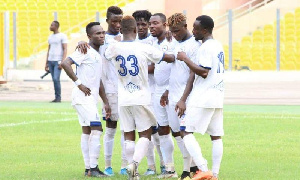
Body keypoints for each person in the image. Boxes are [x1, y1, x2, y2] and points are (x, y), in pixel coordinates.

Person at [104, 15, 175, 180]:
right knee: (145, 135)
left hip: (123, 98)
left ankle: (133, 175)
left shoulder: (113, 48)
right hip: (141, 97)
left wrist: (115, 40)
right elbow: (168, 58)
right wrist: (173, 49)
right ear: (135, 30)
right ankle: (134, 164)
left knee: (128, 135)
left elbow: (107, 53)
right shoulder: (142, 47)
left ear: (121, 30)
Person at [76, 6, 126, 176]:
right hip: (107, 90)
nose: (118, 24)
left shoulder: (125, 38)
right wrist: (80, 42)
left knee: (127, 129)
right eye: (114, 21)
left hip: (126, 91)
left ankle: (124, 165)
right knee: (106, 128)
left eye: (120, 21)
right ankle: (106, 165)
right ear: (107, 22)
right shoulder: (101, 41)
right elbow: (82, 52)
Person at [176, 15, 224, 180]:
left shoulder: (205, 48)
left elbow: (204, 72)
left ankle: (203, 168)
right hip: (217, 96)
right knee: (216, 136)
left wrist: (185, 59)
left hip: (203, 97)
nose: (193, 31)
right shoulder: (218, 45)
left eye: (196, 29)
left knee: (185, 131)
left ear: (204, 30)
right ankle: (215, 174)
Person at [61, 22, 111, 177]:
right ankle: (94, 168)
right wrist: (79, 84)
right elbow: (65, 63)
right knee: (97, 129)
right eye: (97, 33)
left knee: (87, 131)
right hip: (82, 98)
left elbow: (99, 81)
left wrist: (106, 101)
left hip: (89, 99)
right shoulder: (85, 50)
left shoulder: (98, 53)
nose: (102, 35)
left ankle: (88, 169)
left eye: (103, 32)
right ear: (89, 36)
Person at [160, 13, 201, 179]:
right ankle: (193, 167)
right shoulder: (175, 43)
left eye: (177, 30)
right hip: (173, 96)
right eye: (172, 31)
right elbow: (176, 71)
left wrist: (183, 99)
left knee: (185, 133)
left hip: (186, 98)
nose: (174, 34)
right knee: (177, 133)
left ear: (185, 26)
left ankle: (186, 171)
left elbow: (193, 73)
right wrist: (168, 91)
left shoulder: (194, 45)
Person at [132, 10, 166, 176]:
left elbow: (156, 66)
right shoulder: (132, 42)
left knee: (159, 132)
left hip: (155, 91)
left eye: (144, 24)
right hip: (140, 93)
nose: (141, 27)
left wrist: (138, 71)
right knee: (147, 132)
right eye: (137, 24)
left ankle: (165, 164)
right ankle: (151, 167)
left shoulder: (154, 42)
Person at [149, 12, 177, 177]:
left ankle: (191, 167)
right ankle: (170, 169)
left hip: (171, 89)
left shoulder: (171, 41)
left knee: (179, 131)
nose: (152, 26)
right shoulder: (152, 42)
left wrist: (168, 90)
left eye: (155, 23)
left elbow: (176, 64)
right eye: (150, 23)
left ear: (165, 25)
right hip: (158, 90)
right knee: (163, 130)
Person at [45, 21, 68, 103]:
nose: (50, 26)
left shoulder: (62, 36)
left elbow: (65, 49)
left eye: (52, 25)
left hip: (58, 61)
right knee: (54, 79)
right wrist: (46, 63)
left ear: (56, 26)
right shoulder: (50, 37)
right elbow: (49, 50)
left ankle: (58, 97)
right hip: (50, 61)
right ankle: (56, 97)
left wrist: (62, 61)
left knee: (56, 78)